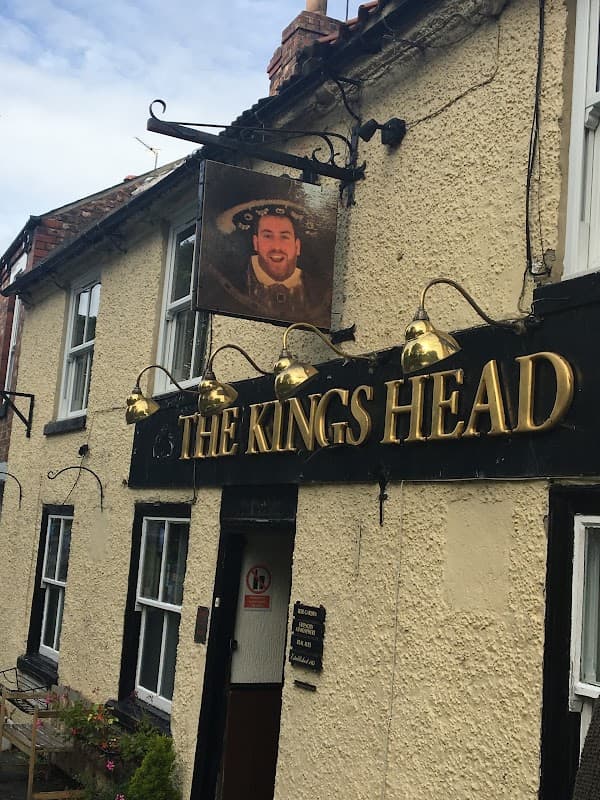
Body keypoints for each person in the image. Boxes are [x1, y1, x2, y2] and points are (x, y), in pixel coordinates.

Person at [206, 200, 332, 328]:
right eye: (267, 236)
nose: (276, 246)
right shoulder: (224, 287)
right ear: (256, 243)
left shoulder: (322, 292)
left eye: (284, 237)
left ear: (297, 246)